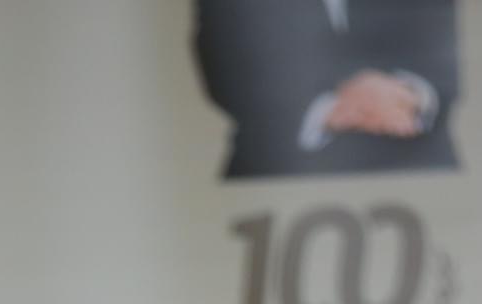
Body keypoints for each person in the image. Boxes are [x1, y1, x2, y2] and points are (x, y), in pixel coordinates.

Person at [193, 0, 461, 179]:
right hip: (277, 172)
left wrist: (411, 93)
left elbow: (446, 51)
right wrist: (334, 109)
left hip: (418, 164)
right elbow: (225, 70)